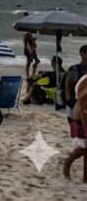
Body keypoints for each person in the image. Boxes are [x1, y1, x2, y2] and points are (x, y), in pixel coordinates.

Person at [62, 45, 87, 182]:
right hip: (76, 110)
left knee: (85, 147)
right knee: (83, 146)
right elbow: (67, 90)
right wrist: (71, 106)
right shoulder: (74, 70)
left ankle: (85, 177)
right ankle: (68, 163)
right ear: (82, 54)